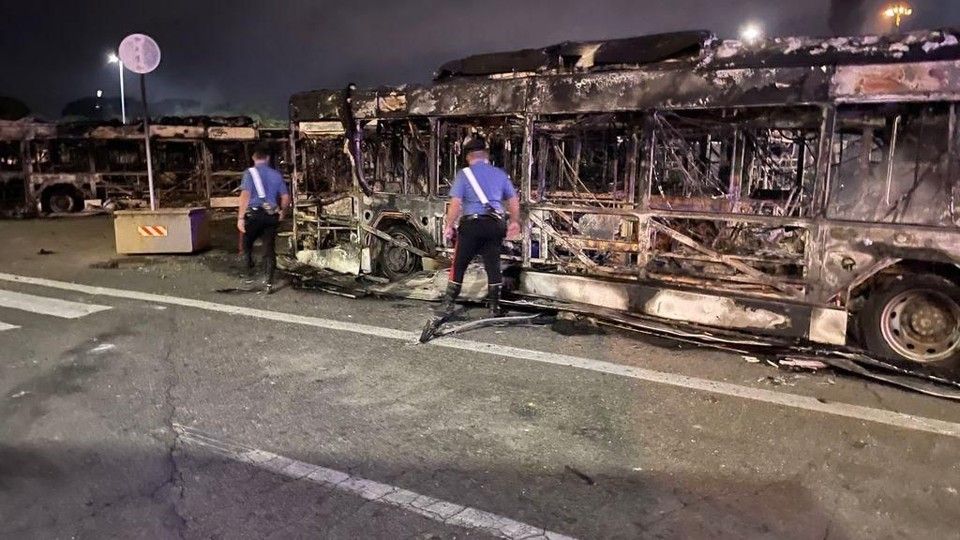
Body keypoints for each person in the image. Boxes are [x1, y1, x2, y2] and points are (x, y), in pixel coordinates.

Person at [440, 137, 521, 317]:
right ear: (486, 155)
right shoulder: (500, 174)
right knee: (493, 264)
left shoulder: (464, 174)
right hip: (495, 225)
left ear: (469, 156)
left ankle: (447, 306)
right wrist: (515, 221)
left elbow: (456, 203)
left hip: (472, 226)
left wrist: (449, 225)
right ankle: (494, 308)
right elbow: (513, 200)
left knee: (459, 264)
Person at [237, 145, 290, 290]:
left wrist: (240, 218)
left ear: (254, 157)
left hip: (253, 215)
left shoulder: (249, 173)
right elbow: (285, 197)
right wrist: (282, 213)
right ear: (267, 158)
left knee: (247, 243)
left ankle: (248, 269)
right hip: (270, 216)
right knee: (269, 248)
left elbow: (245, 196)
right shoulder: (276, 175)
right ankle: (268, 281)